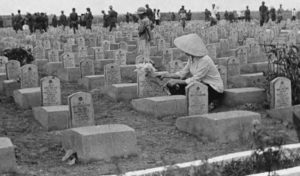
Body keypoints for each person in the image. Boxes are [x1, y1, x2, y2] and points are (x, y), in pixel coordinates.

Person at [156, 34, 224, 108]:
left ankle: (212, 101)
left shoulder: (205, 60)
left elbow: (197, 78)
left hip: (213, 88)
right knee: (174, 86)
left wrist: (177, 81)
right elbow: (182, 73)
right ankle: (182, 104)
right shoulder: (191, 58)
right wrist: (167, 75)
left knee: (183, 86)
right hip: (200, 84)